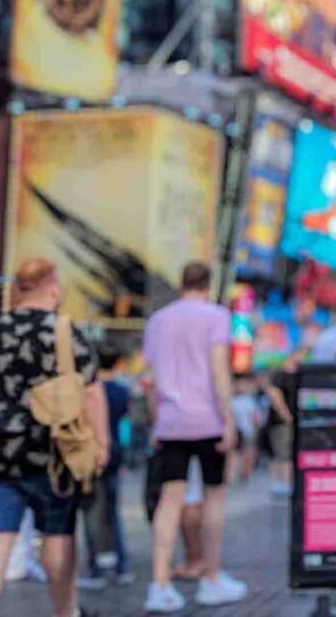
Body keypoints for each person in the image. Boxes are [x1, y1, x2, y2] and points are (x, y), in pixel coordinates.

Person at [0, 257, 109, 617]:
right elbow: (92, 393)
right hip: (52, 452)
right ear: (52, 286)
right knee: (57, 536)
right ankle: (66, 612)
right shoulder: (63, 331)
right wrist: (102, 445)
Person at [143, 262, 246, 612]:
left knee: (169, 500)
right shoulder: (216, 317)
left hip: (171, 420)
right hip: (208, 419)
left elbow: (152, 378)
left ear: (181, 283)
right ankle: (211, 578)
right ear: (208, 284)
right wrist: (229, 419)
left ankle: (159, 584)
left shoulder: (158, 320)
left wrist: (157, 419)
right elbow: (219, 371)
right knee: (213, 498)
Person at [78, 342, 133, 590]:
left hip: (90, 455)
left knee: (90, 513)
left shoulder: (86, 389)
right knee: (113, 513)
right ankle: (122, 565)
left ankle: (96, 568)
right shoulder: (122, 391)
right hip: (115, 454)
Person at [263, 348, 304, 498]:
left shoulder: (296, 374)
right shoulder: (282, 374)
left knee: (282, 453)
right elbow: (274, 393)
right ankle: (283, 483)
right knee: (284, 453)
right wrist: (285, 414)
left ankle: (280, 483)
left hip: (287, 421)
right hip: (281, 422)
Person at [228, 375, 261, 484]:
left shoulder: (231, 400)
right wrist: (257, 428)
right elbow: (255, 417)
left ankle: (232, 474)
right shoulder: (249, 400)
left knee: (234, 453)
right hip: (247, 430)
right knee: (248, 452)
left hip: (234, 430)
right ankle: (245, 473)